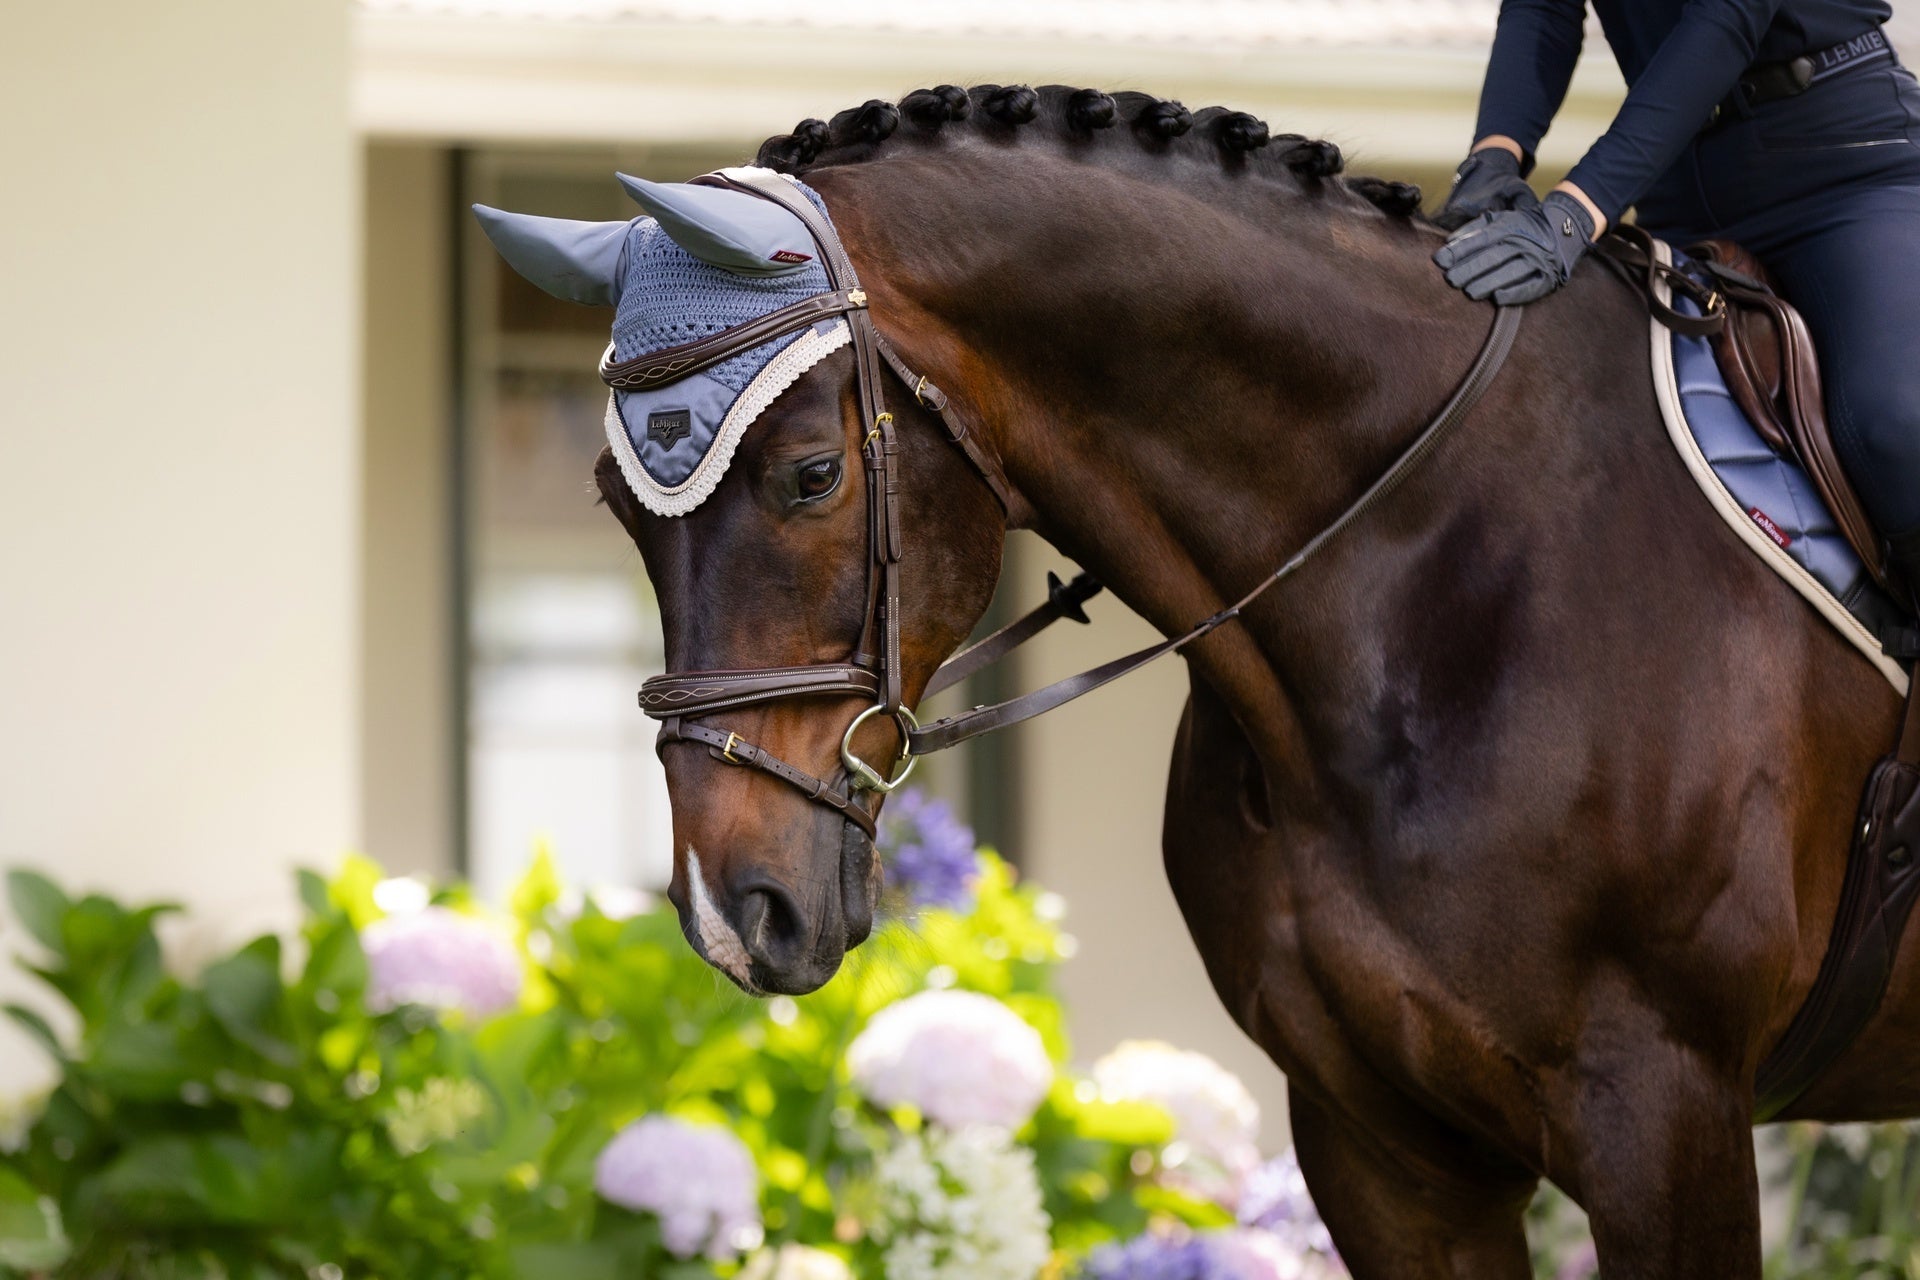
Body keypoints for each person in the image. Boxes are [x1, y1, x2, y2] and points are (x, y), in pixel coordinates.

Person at [1433, 1, 1920, 595]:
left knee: (1897, 424)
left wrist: (1571, 216)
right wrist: (1491, 161)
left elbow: (1729, 14)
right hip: (1676, 182)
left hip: (1843, 165)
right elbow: (1542, 8)